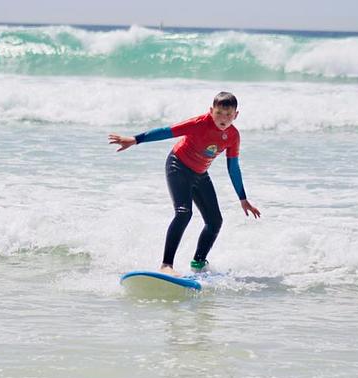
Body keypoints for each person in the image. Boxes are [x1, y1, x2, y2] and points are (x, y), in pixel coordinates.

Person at [108, 91, 261, 276]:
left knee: (215, 222)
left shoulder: (233, 136)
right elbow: (167, 131)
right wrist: (136, 139)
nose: (223, 118)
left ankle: (198, 263)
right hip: (178, 166)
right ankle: (166, 265)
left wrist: (243, 198)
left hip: (200, 173)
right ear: (211, 111)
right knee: (183, 213)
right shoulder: (199, 123)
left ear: (236, 115)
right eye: (219, 113)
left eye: (229, 115)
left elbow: (233, 167)